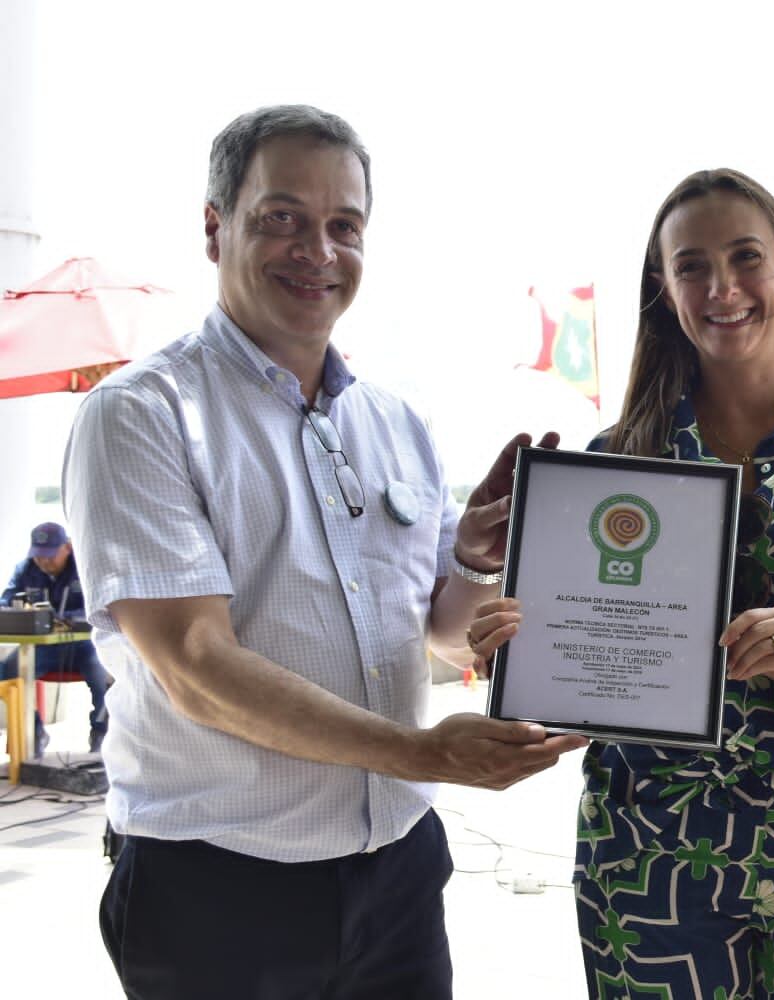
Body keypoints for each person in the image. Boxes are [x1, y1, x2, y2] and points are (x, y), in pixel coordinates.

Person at [61, 104, 586, 1000]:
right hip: (219, 887)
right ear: (214, 226)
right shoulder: (143, 414)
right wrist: (429, 755)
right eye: (282, 219)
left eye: (345, 225)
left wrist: (472, 560)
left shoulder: (395, 421)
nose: (319, 249)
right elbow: (194, 665)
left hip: (399, 874)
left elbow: (440, 640)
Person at [475, 167, 774, 999]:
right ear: (663, 290)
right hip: (652, 851)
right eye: (692, 265)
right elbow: (558, 657)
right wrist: (515, 649)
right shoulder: (610, 463)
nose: (722, 287)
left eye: (746, 257)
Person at [0, 521, 109, 754]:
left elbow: (102, 607)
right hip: (44, 648)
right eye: (39, 556)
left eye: (50, 555)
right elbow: (5, 602)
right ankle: (35, 731)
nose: (44, 562)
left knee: (102, 673)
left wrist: (64, 618)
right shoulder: (26, 569)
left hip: (86, 646)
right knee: (7, 670)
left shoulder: (86, 567)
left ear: (67, 547)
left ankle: (101, 733)